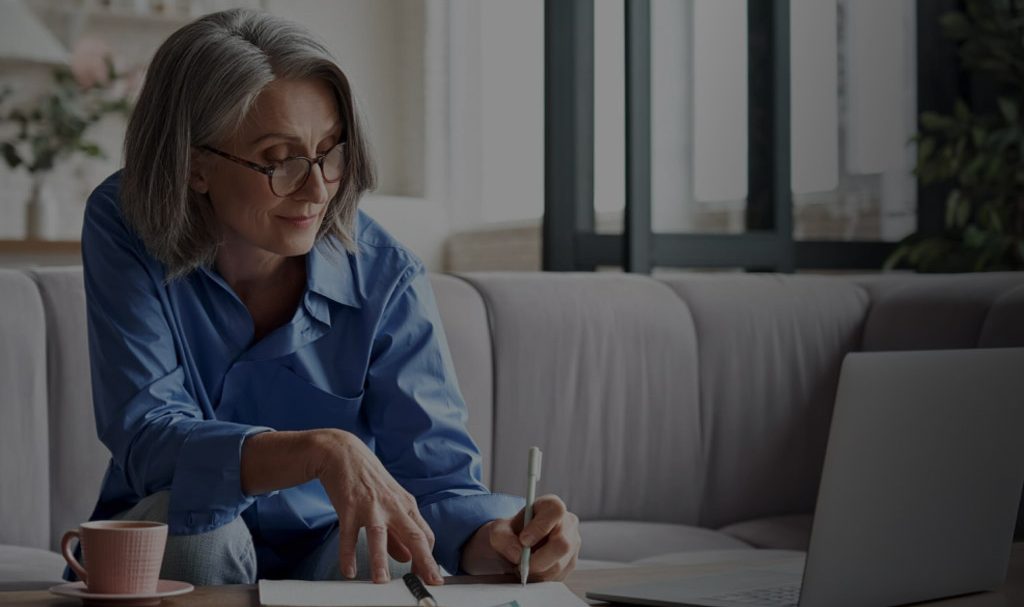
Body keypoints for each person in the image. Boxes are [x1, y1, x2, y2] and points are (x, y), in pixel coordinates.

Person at [74, 8, 580, 586]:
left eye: (331, 152)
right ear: (195, 168)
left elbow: (437, 483)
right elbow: (147, 433)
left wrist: (501, 540)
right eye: (279, 159)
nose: (317, 189)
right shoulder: (125, 221)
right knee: (198, 523)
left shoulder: (387, 275)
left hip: (328, 546)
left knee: (387, 544)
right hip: (182, 540)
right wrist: (316, 450)